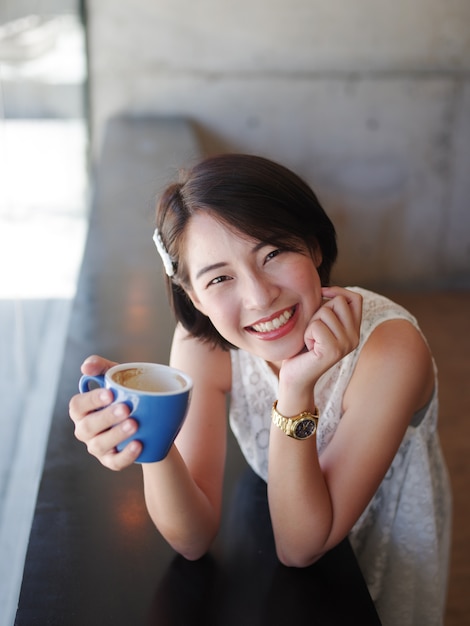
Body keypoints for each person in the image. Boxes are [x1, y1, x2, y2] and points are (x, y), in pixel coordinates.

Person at [69, 153, 451, 626]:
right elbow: (192, 538)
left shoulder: (391, 347)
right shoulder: (203, 340)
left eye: (272, 253)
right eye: (220, 278)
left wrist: (295, 388)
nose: (258, 295)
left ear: (313, 247)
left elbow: (298, 546)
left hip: (379, 548)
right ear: (195, 297)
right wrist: (151, 439)